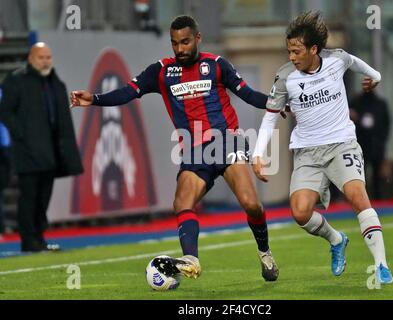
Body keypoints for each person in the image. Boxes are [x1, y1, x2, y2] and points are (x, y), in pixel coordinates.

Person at [70, 15, 279, 282]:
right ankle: (191, 258)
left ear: (197, 39)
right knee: (182, 202)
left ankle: (264, 252)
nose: (180, 49)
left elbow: (247, 93)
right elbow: (128, 92)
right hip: (194, 149)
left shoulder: (216, 65)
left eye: (185, 42)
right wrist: (95, 99)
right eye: (175, 43)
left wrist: (275, 104)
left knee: (251, 204)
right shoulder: (161, 71)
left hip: (227, 140)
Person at [252, 11, 393, 284]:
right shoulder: (284, 77)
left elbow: (360, 65)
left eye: (296, 51)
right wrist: (258, 154)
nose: (291, 57)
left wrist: (375, 77)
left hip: (342, 145)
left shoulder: (336, 60)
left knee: (357, 195)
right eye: (289, 51)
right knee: (300, 212)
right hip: (307, 152)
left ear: (313, 48)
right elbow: (271, 116)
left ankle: (381, 265)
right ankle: (336, 239)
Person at [0, 42, 84, 252]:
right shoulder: (16, 81)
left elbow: (62, 120)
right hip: (27, 152)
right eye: (41, 57)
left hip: (50, 150)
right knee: (29, 196)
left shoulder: (55, 83)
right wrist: (21, 135)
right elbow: (5, 111)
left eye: (48, 57)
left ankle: (38, 238)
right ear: (31, 58)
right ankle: (28, 240)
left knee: (43, 196)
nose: (45, 61)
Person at [349, 90, 391, 200]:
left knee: (377, 174)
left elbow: (386, 123)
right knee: (360, 173)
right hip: (360, 143)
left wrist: (382, 141)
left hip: (376, 144)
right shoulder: (356, 102)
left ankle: (378, 197)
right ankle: (362, 198)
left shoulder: (380, 103)